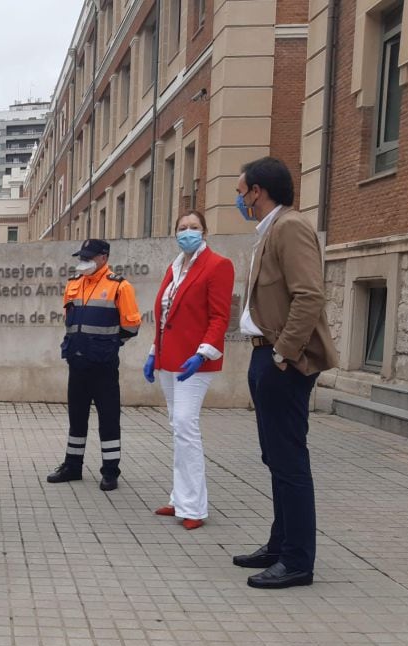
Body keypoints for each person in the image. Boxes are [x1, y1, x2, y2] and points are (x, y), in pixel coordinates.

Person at [231, 156, 338, 589]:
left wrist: (283, 354)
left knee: (289, 461)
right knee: (274, 457)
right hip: (267, 356)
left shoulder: (290, 227)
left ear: (258, 191)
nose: (240, 199)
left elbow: (309, 295)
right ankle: (280, 544)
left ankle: (297, 561)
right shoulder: (269, 231)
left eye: (241, 192)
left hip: (282, 360)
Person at [143, 211, 235, 530]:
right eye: (182, 228)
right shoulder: (175, 266)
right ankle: (179, 498)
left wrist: (202, 353)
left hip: (195, 361)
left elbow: (219, 317)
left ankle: (194, 507)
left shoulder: (218, 265)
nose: (187, 232)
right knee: (177, 427)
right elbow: (165, 314)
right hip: (169, 359)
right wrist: (154, 352)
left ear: (205, 232)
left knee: (185, 425)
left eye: (194, 228)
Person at [47, 238, 141, 491]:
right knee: (76, 418)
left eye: (88, 257)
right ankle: (72, 466)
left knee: (108, 418)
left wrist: (109, 343)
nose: (83, 262)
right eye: (81, 257)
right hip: (77, 362)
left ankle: (110, 471)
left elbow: (131, 326)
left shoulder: (120, 287)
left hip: (104, 365)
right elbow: (70, 321)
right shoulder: (74, 284)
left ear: (103, 258)